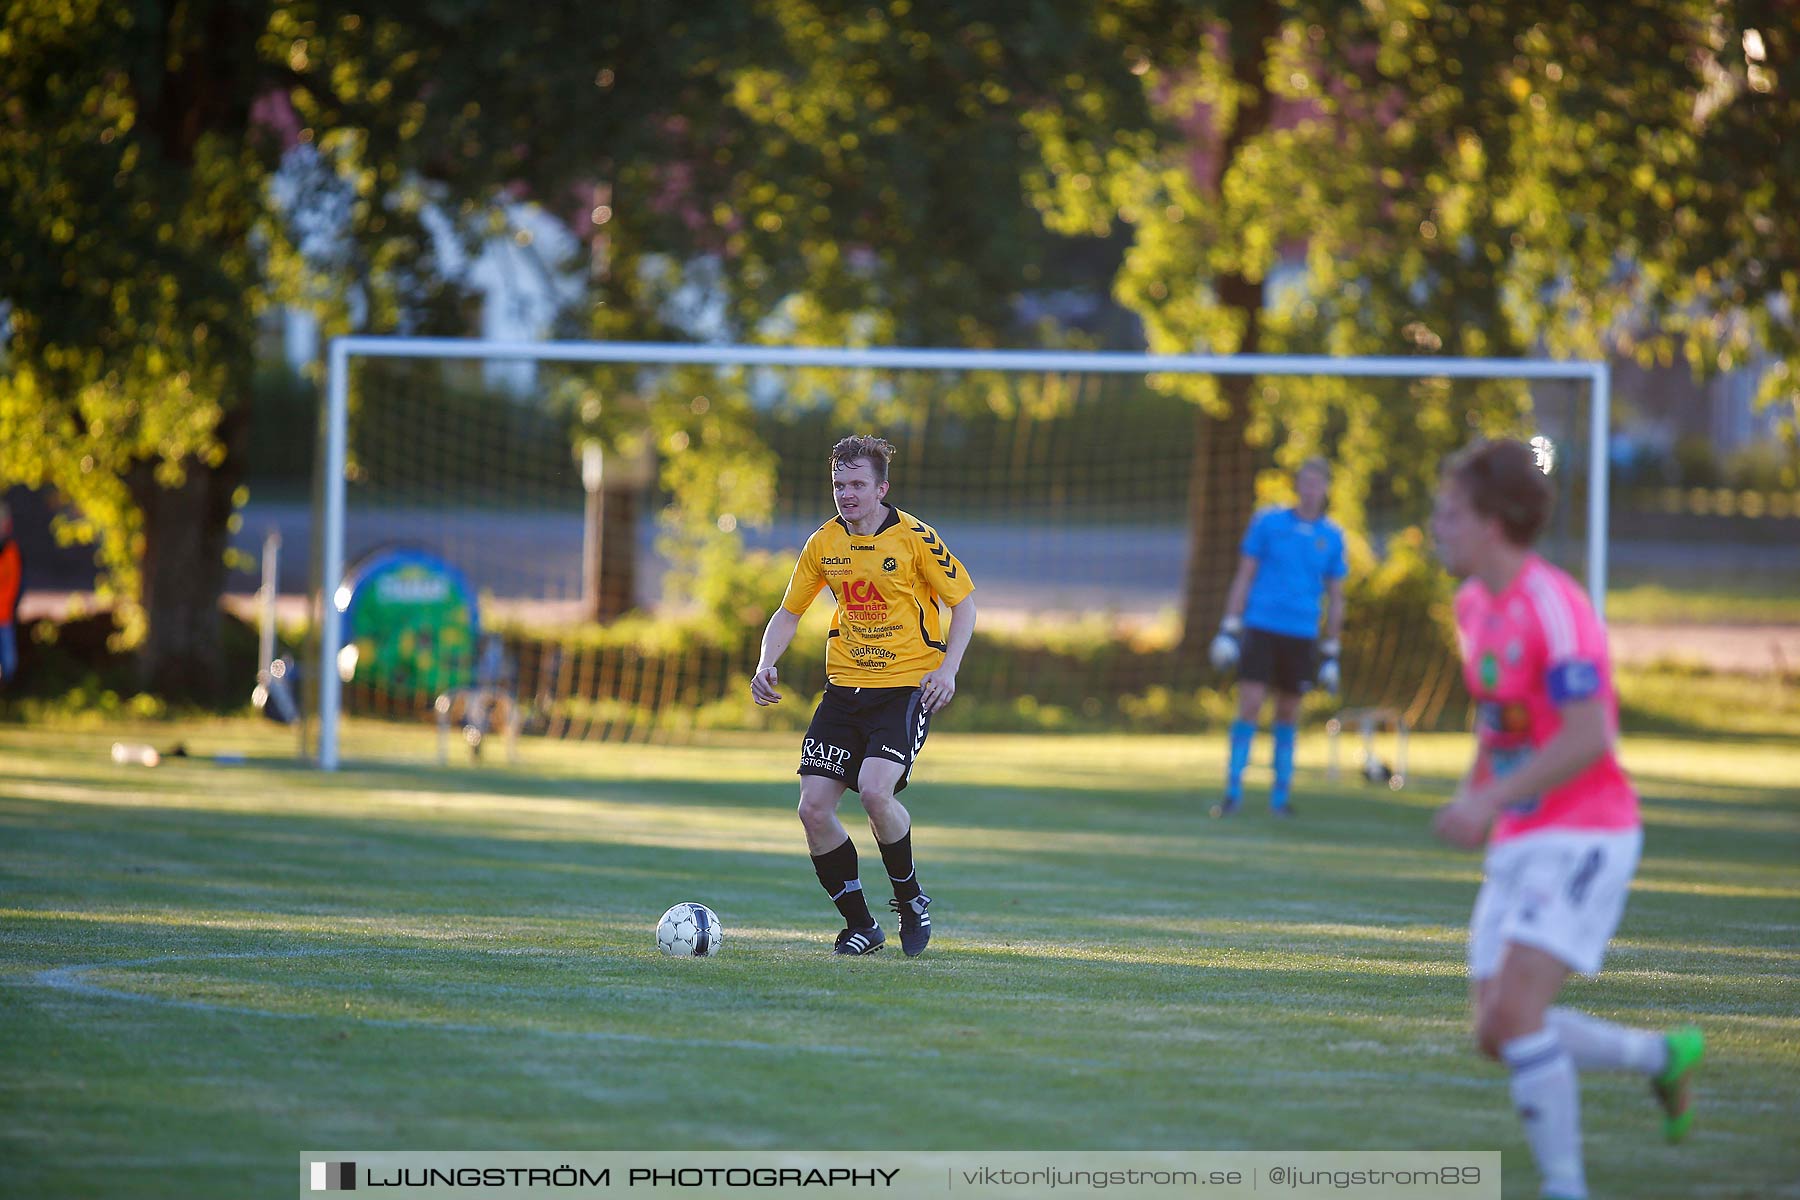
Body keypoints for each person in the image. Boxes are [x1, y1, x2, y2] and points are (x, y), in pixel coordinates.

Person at [1429, 438, 1703, 1200]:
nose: (1436, 527)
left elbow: (1590, 735)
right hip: (1521, 831)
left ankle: (1565, 1186)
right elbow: (1501, 722)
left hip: (1587, 829)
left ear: (1491, 522)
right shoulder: (1472, 604)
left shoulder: (1557, 605)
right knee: (1495, 1030)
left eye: (1449, 513)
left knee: (1517, 1012)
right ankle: (1660, 1057)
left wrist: (1486, 801)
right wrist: (1474, 793)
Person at [751, 435, 976, 956]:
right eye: (839, 485)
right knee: (812, 808)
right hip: (843, 692)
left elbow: (963, 604)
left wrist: (948, 670)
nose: (847, 494)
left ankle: (910, 898)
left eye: (857, 485)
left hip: (903, 690)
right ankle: (861, 925)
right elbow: (789, 612)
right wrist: (766, 662)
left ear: (882, 488)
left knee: (877, 792)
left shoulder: (915, 537)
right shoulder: (823, 543)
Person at [1207, 458, 1347, 817]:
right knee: (1250, 704)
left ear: (1326, 488)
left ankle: (1280, 798)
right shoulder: (1268, 523)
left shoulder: (1332, 537)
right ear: (1296, 485)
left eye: (1318, 483)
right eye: (1305, 481)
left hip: (1301, 634)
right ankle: (1232, 791)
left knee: (1288, 712)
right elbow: (1244, 575)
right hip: (1262, 626)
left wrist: (1332, 651)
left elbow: (1336, 596)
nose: (1311, 489)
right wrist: (1229, 626)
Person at [0, 501, 20, 688]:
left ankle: (7, 693)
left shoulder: (12, 552)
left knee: (9, 661)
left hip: (5, 616)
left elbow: (15, 586)